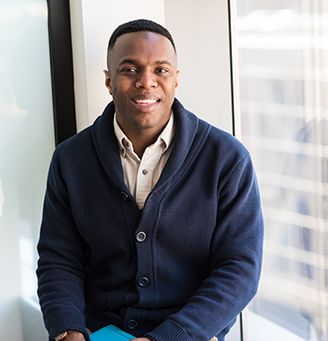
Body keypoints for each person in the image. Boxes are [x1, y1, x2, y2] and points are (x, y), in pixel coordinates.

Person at [37, 19, 264, 341]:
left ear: (175, 79)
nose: (147, 82)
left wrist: (174, 335)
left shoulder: (226, 158)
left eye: (161, 70)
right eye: (130, 69)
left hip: (190, 332)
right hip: (96, 329)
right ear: (108, 80)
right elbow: (59, 258)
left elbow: (240, 269)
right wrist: (67, 329)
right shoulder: (70, 159)